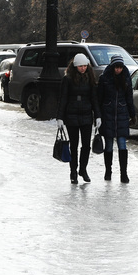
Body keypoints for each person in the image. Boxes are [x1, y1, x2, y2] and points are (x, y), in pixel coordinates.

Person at [56, 53, 101, 184]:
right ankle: (73, 171)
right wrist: (60, 117)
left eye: (85, 66)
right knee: (74, 146)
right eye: (80, 66)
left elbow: (94, 98)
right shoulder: (68, 79)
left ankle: (83, 169)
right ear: (75, 66)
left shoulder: (90, 78)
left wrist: (97, 115)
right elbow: (63, 98)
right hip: (72, 116)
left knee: (86, 145)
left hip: (86, 115)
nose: (83, 68)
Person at [98, 54, 136, 183]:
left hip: (122, 114)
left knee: (122, 144)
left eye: (120, 67)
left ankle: (123, 173)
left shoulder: (126, 78)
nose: (118, 70)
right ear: (112, 67)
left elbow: (129, 97)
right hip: (107, 114)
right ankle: (108, 171)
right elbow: (100, 98)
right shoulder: (104, 78)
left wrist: (132, 114)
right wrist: (97, 116)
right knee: (108, 145)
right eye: (116, 67)